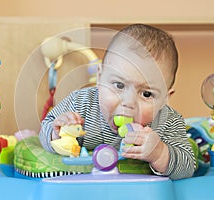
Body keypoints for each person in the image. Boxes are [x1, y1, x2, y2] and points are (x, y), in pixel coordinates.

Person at [40, 24, 196, 180]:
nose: (129, 103)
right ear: (100, 78)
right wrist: (57, 133)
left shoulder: (168, 121)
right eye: (119, 85)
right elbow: (45, 129)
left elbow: (188, 167)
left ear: (165, 99)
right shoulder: (80, 104)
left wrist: (160, 154)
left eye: (146, 94)